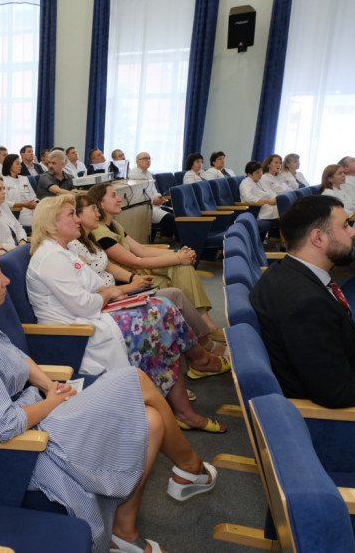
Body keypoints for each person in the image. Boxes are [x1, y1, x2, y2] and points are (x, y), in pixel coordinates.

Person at [0, 242, 217, 553]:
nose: (6, 281)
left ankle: (125, 528)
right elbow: (4, 425)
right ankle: (189, 466)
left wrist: (49, 386)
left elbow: (17, 358)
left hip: (35, 408)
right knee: (136, 381)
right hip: (23, 444)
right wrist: (53, 402)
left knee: (151, 422)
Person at [32, 195, 228, 432]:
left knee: (163, 310)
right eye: (71, 215)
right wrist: (108, 294)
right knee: (162, 317)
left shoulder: (64, 251)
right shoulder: (51, 257)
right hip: (78, 335)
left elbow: (96, 285)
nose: (77, 220)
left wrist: (108, 293)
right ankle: (191, 387)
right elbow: (87, 303)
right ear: (52, 224)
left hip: (95, 317)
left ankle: (185, 403)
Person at [250, 195, 355, 464]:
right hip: (353, 428)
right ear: (318, 238)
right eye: (345, 226)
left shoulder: (285, 272)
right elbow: (335, 391)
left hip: (353, 370)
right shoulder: (304, 303)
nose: (353, 231)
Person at [86, 182, 221, 333]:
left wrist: (178, 253)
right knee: (181, 269)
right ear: (100, 204)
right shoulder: (100, 232)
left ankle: (201, 325)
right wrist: (178, 258)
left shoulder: (114, 225)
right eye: (113, 195)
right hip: (130, 278)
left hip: (141, 270)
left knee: (183, 268)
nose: (119, 199)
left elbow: (142, 250)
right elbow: (136, 262)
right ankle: (203, 326)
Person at [128, 152, 175, 240]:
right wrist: (154, 199)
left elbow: (154, 191)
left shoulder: (149, 173)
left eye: (149, 158)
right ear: (137, 161)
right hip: (145, 207)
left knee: (176, 213)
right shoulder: (134, 175)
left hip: (155, 204)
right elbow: (140, 195)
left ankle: (175, 240)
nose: (148, 160)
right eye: (145, 158)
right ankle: (166, 241)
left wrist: (160, 197)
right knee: (169, 218)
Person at [239, 160, 279, 234]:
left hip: (268, 206)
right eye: (257, 172)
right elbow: (248, 198)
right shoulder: (245, 183)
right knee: (284, 211)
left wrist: (276, 198)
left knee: (284, 207)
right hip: (257, 209)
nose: (260, 174)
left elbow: (269, 192)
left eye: (261, 171)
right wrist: (268, 201)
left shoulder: (259, 181)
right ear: (249, 174)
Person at [1, 153, 38, 226]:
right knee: (42, 223)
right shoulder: (3, 180)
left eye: (20, 164)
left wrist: (36, 204)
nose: (20, 166)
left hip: (32, 210)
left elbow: (33, 197)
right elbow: (4, 202)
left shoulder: (24, 179)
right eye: (17, 164)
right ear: (9, 165)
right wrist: (23, 205)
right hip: (17, 212)